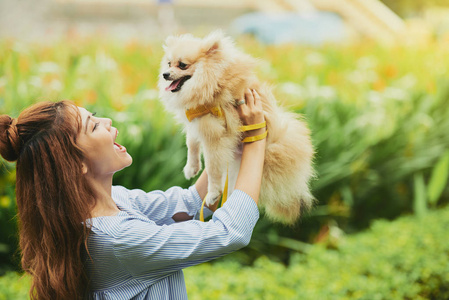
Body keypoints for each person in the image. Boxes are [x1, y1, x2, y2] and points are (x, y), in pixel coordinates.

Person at [0, 88, 267, 299]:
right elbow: (230, 233)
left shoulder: (113, 201)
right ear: (76, 164)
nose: (107, 121)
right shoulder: (118, 239)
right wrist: (256, 137)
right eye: (92, 126)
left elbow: (191, 203)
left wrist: (230, 135)